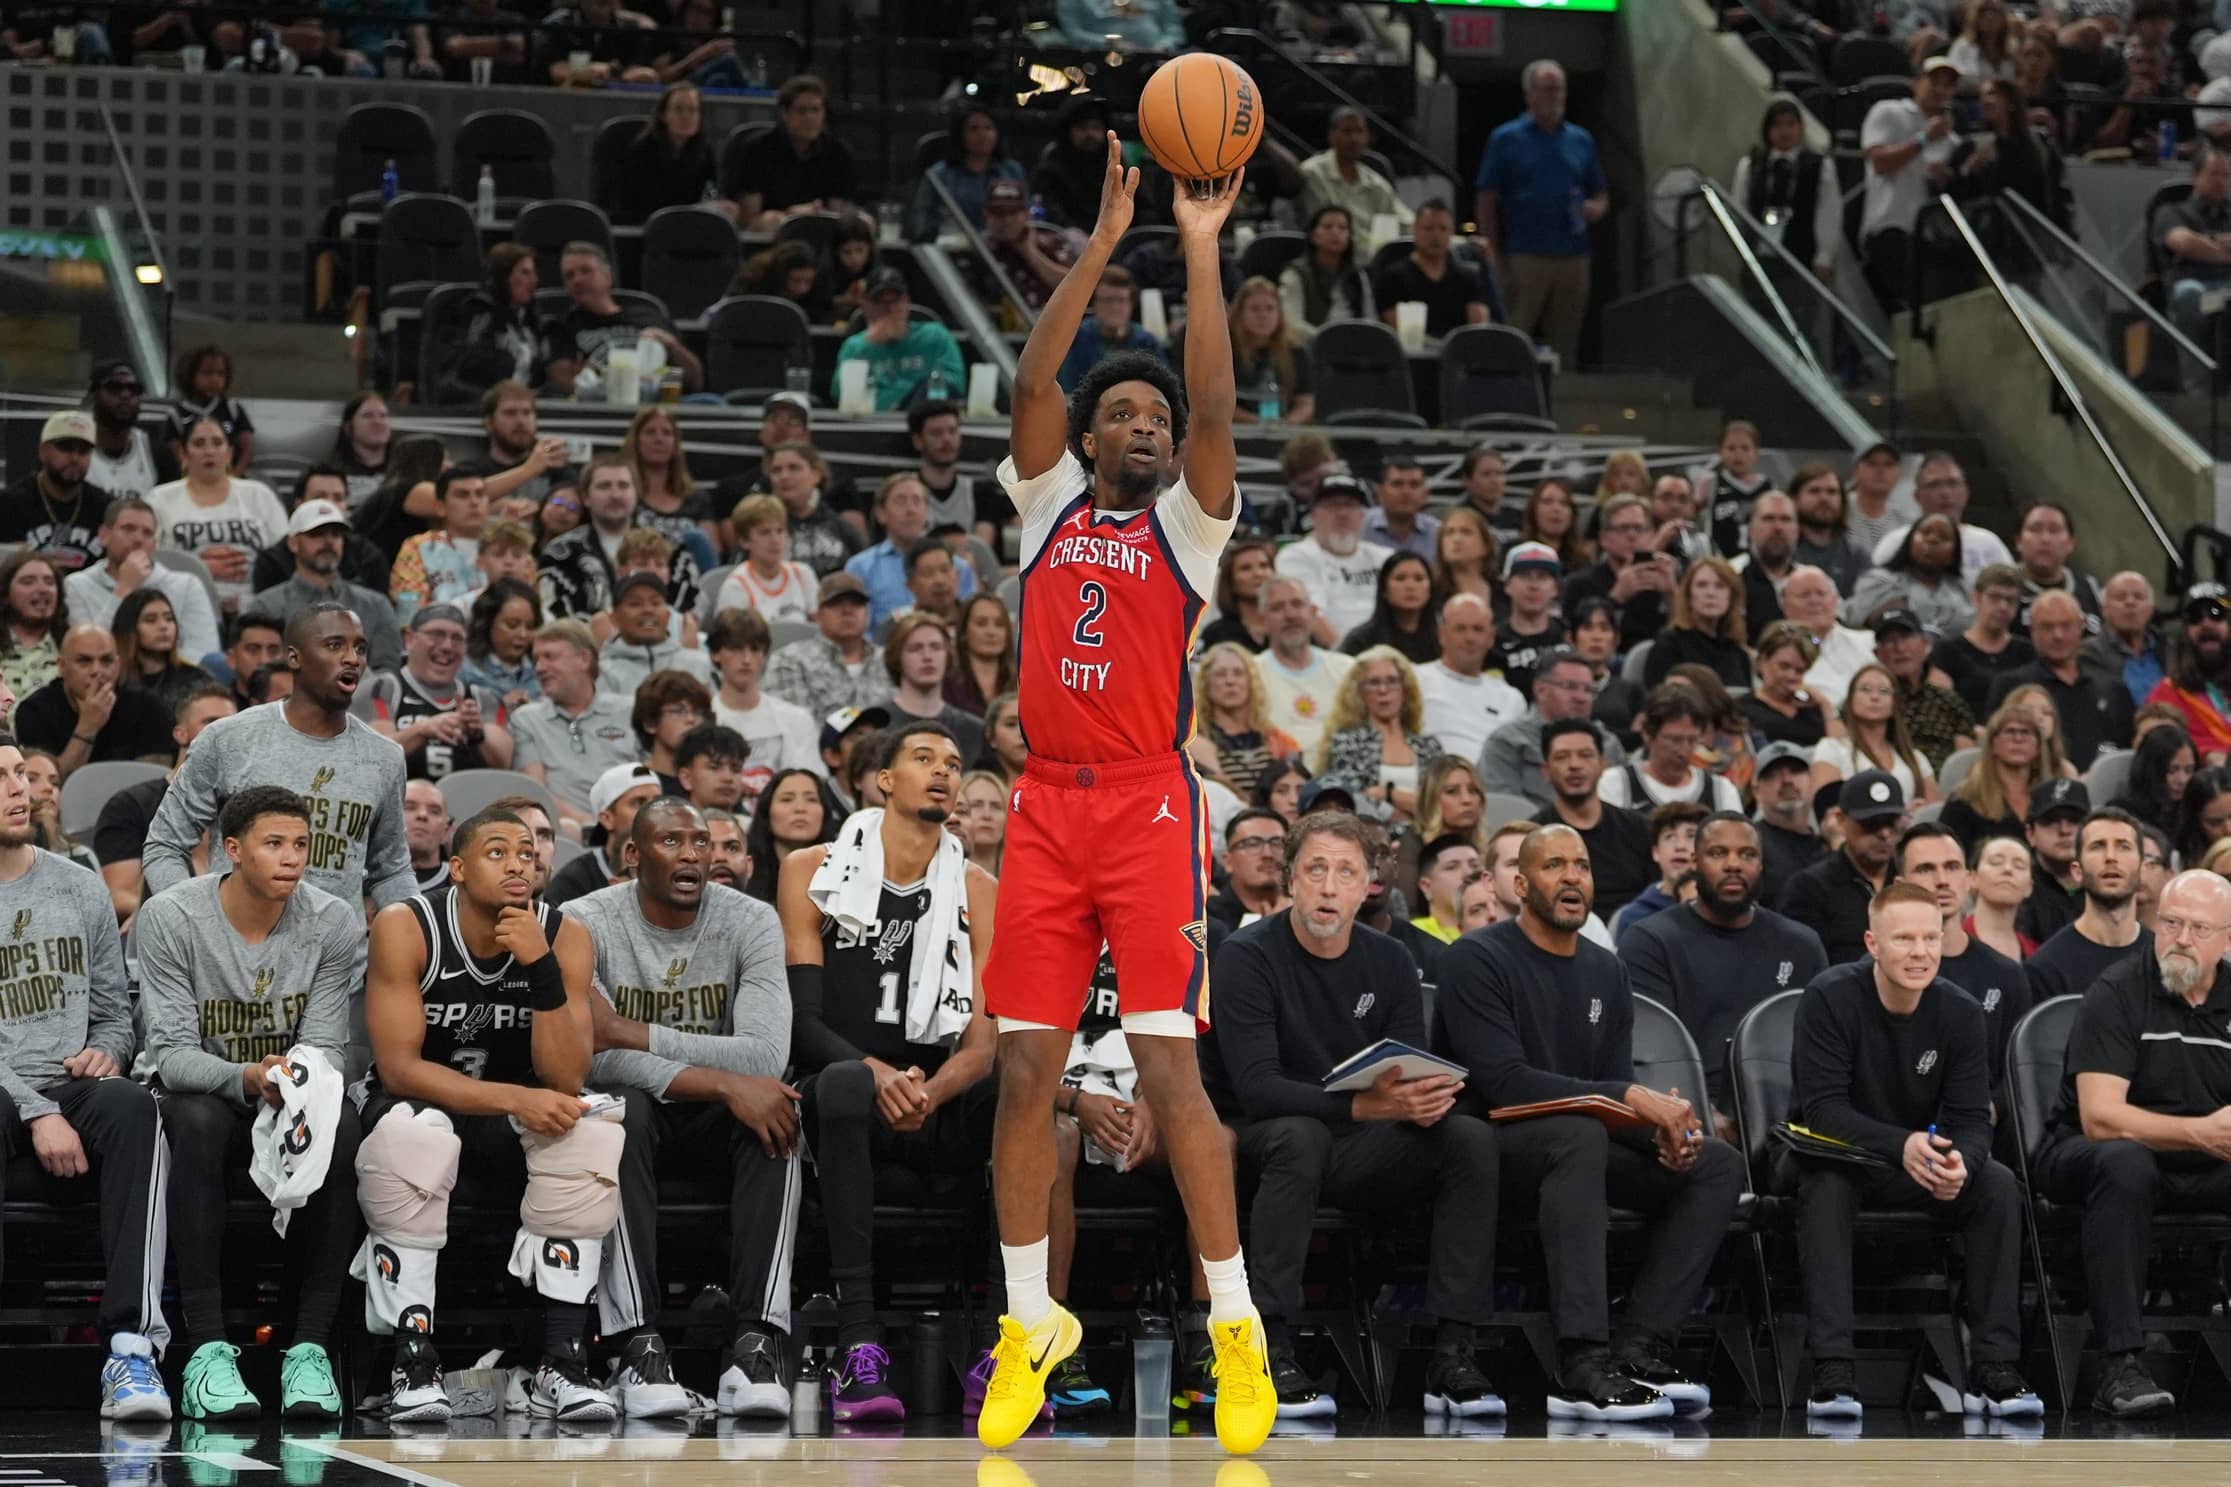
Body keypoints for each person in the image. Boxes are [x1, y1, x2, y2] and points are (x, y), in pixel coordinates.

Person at [968, 142, 1277, 1455]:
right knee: (1022, 1073)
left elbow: (1213, 404)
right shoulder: (1044, 501)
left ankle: (1234, 1323)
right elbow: (1034, 377)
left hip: (1148, 807)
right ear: (1088, 440)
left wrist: (1196, 247)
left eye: (1156, 416)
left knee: (1169, 1070)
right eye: (1126, 414)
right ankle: (1028, 1320)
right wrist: (1098, 239)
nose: (1148, 423)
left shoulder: (1188, 526)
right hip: (1044, 807)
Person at [1437, 821, 1742, 1418]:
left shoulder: (1606, 969)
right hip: (1493, 1149)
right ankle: (1580, 1363)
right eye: (1554, 866)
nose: (1572, 878)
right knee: (1578, 1137)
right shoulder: (1476, 957)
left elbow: (1608, 1087)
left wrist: (1659, 1135)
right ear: (1521, 885)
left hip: (1583, 1147)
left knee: (1715, 1164)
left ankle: (1641, 1345)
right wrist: (1632, 1098)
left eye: (1580, 866)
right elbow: (1503, 1085)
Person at [1215, 809, 1502, 1417]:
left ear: (1369, 884)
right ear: (1290, 879)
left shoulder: (1391, 959)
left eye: (1345, 872)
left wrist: (1421, 1100)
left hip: (1359, 1140)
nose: (1328, 887)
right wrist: (1366, 1105)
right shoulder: (1246, 955)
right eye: (1314, 870)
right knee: (1300, 1137)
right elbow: (1257, 1088)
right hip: (1263, 1140)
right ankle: (1270, 1347)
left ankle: (1453, 1352)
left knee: (1468, 1139)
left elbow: (1404, 1064)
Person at [355, 805, 618, 1423]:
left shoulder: (565, 935)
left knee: (589, 1130)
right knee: (417, 1137)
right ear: (457, 868)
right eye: (497, 852)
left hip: (510, 1117)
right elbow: (400, 1068)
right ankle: (412, 1361)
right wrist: (516, 1099)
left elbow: (564, 1078)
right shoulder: (406, 924)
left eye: (526, 853)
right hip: (416, 1104)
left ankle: (562, 1361)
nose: (517, 864)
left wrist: (541, 970)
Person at [779, 725, 997, 1423]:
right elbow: (802, 1023)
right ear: (884, 780)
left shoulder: (979, 888)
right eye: (924, 759)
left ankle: (1002, 1347)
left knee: (1017, 1090)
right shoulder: (811, 870)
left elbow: (982, 1042)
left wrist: (929, 1090)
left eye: (954, 764)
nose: (943, 772)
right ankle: (859, 1340)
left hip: (935, 1100)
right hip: (844, 1096)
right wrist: (875, 1073)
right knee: (844, 1083)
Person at [567, 798, 800, 1418]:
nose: (693, 855)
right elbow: (588, 1057)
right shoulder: (583, 920)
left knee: (779, 1112)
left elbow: (765, 1056)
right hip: (642, 1110)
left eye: (702, 843)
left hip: (714, 1118)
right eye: (672, 841)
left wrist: (631, 1032)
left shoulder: (752, 919)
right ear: (632, 855)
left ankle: (756, 1344)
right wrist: (722, 1081)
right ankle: (635, 1344)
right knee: (616, 1112)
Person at [139, 785, 366, 1421]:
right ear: (233, 850)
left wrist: (289, 1083)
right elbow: (172, 1055)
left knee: (344, 1123)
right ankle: (207, 1349)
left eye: (301, 844)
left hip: (287, 1093)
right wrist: (247, 1076)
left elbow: (326, 1048)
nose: (292, 858)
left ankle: (309, 1347)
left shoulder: (333, 921)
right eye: (274, 844)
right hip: (203, 1094)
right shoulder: (171, 916)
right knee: (198, 1119)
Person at [1783, 880, 2041, 1422]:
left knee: (1996, 1185)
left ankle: (1995, 1366)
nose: (1920, 952)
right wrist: (1901, 1145)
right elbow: (1823, 1111)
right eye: (1904, 939)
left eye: (1930, 937)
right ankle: (1833, 1368)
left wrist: (1961, 1162)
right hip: (1834, 1156)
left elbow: (1972, 1118)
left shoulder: (1961, 1011)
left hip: (1915, 1161)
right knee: (1827, 1185)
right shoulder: (1829, 996)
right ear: (1872, 944)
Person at [0, 733, 171, 1420]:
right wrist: (36, 1109)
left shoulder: (77, 883)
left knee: (134, 1106)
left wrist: (108, 1049)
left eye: (20, 773)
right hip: (7, 1089)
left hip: (71, 1083)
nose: (19, 789)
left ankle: (132, 1349)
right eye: (0, 779)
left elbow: (113, 1010)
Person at [2031, 867, 2231, 1418]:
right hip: (2090, 1154)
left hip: (2202, 1160)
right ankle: (2119, 1366)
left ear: (2227, 940)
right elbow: (2101, 1118)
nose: (2181, 939)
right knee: (2126, 1163)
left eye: (2199, 928)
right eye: (2170, 923)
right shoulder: (2118, 991)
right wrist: (2200, 1133)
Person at [142, 605, 411, 914]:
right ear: (294, 658)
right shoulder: (228, 739)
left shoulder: (385, 757)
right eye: (335, 645)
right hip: (235, 938)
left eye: (360, 648)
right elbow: (165, 843)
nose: (352, 658)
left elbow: (392, 871)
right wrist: (191, 919)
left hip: (337, 944)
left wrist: (414, 930)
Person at [1475, 60, 1607, 366]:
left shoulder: (1581, 140)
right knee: (1513, 336)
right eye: (1548, 89)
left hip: (1573, 256)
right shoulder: (1505, 138)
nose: (1555, 96)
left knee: (1566, 343)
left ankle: (1560, 392)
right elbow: (1487, 198)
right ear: (1529, 94)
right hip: (1524, 254)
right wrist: (1493, 251)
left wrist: (1596, 208)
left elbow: (1601, 192)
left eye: (1559, 89)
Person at [1897, 822, 2032, 1081]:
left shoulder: (2007, 975)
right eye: (1925, 869)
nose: (1942, 880)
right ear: (1900, 885)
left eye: (1952, 867)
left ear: (1969, 879)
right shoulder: (1878, 975)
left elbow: (2018, 1077)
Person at [503, 619, 638, 830]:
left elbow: (651, 777)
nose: (539, 668)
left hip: (632, 828)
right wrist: (593, 826)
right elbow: (535, 792)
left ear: (584, 659)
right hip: (567, 831)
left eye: (550, 657)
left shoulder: (629, 711)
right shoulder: (527, 720)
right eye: (536, 659)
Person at [355, 603, 514, 781]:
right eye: (436, 634)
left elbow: (503, 764)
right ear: (409, 639)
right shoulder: (381, 690)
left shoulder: (485, 699)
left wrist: (478, 734)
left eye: (457, 638)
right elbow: (374, 758)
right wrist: (423, 730)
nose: (447, 646)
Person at [243, 500, 404, 674]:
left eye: (336, 534)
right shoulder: (266, 607)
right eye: (317, 534)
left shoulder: (376, 606)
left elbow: (387, 671)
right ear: (293, 543)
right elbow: (261, 672)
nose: (329, 541)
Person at [64, 497, 223, 666]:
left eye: (147, 533)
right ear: (104, 535)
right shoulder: (77, 585)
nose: (138, 539)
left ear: (154, 544)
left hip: (175, 678)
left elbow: (202, 653)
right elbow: (87, 653)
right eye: (128, 529)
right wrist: (123, 589)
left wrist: (154, 670)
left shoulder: (186, 585)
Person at [1985, 591, 2133, 772]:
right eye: (2047, 627)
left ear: (2081, 627)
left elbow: (2127, 751)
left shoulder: (2113, 688)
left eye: (2066, 626)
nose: (2058, 635)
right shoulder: (2010, 686)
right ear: (2032, 630)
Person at [1859, 57, 1962, 306]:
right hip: (1890, 223)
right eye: (1934, 82)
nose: (1940, 90)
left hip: (1930, 234)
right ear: (1917, 83)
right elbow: (1879, 162)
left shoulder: (1952, 140)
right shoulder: (1889, 111)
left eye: (1947, 85)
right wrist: (1923, 139)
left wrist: (1943, 177)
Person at [2026, 807, 2154, 1005]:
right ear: (2077, 871)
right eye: (2097, 846)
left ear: (2142, 869)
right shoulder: (2045, 968)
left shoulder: (2164, 958)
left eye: (2123, 846)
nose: (2111, 857)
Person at [1530, 717, 1655, 919]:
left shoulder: (1638, 827)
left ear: (1603, 765)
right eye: (1562, 757)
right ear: (1546, 771)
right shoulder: (1534, 836)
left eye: (1585, 755)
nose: (1574, 765)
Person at [12, 622, 174, 776]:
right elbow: (47, 786)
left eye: (106, 661)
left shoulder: (149, 707)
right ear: (62, 666)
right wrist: (88, 727)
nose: (97, 670)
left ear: (118, 665)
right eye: (84, 661)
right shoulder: (34, 711)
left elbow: (155, 781)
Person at [543, 242, 702, 398]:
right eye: (569, 275)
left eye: (586, 271)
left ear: (608, 277)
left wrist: (672, 345)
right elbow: (565, 385)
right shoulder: (562, 327)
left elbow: (694, 381)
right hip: (601, 404)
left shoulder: (650, 317)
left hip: (658, 404)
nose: (577, 280)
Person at [1780, 770, 1907, 964]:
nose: (1884, 833)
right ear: (1841, 820)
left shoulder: (1910, 879)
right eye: (1871, 823)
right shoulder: (1809, 888)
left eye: (1892, 822)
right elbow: (1801, 962)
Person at [1479, 649, 1628, 808]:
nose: (1581, 698)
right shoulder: (1507, 741)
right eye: (1570, 686)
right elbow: (1504, 808)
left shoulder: (1608, 743)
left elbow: (1625, 802)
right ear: (1541, 690)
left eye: (1588, 690)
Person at [703, 609, 818, 809]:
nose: (746, 659)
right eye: (736, 649)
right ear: (715, 654)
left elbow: (809, 786)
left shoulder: (797, 720)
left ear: (764, 655)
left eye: (755, 649)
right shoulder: (701, 721)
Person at [1315, 648, 1441, 823]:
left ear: (1405, 689)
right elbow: (1351, 799)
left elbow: (1441, 803)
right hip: (1369, 830)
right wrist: (1401, 816)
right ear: (1359, 691)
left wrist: (1387, 794)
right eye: (1374, 683)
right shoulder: (1348, 742)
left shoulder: (1428, 746)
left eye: (1392, 681)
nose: (1383, 690)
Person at [1731, 97, 1842, 283]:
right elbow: (1738, 208)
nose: (1785, 131)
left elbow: (1829, 213)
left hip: (1802, 256)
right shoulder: (1751, 165)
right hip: (1758, 256)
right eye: (1777, 125)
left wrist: (1825, 257)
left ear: (1801, 127)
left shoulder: (1820, 166)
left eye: (1790, 124)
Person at [729, 75, 856, 231]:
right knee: (771, 221)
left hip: (821, 221)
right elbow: (749, 217)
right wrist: (792, 214)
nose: (810, 118)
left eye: (816, 110)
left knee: (863, 222)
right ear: (785, 113)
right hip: (773, 223)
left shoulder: (838, 152)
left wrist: (815, 212)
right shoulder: (756, 149)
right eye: (802, 111)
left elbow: (839, 210)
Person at [831, 268, 968, 413]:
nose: (890, 309)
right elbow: (839, 394)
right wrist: (868, 344)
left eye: (896, 301)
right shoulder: (855, 346)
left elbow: (956, 384)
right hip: (873, 420)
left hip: (923, 417)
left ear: (906, 302)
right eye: (880, 302)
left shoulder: (935, 336)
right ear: (866, 306)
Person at [1253, 576, 1355, 761]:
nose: (1290, 615)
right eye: (1278, 607)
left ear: (1313, 612)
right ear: (1262, 620)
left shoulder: (1347, 669)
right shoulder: (1250, 674)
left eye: (1298, 604)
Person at [1414, 594, 1526, 764]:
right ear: (1442, 635)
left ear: (1491, 637)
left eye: (1478, 629)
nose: (1470, 638)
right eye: (1460, 629)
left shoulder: (1511, 698)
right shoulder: (1416, 679)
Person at [0, 411, 114, 576]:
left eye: (83, 451)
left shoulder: (106, 508)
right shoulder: (10, 504)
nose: (75, 458)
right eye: (65, 448)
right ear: (43, 451)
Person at [1867, 455, 2013, 584]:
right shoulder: (1896, 542)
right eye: (1934, 485)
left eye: (1953, 484)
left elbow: (2012, 587)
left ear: (1966, 493)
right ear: (1917, 496)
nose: (1945, 493)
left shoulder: (1989, 543)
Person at [1810, 660, 1938, 805]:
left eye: (1884, 691)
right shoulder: (1832, 749)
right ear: (1850, 700)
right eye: (1865, 689)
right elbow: (1826, 809)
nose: (1875, 697)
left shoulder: (1917, 759)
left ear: (1894, 703)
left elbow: (1933, 811)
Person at [1599, 687, 1743, 814]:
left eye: (1692, 740)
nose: (1683, 751)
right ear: (1648, 735)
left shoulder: (1720, 790)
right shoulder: (1615, 783)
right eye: (1674, 740)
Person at [1561, 497, 1671, 654]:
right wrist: (1616, 598)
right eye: (1623, 528)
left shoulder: (1662, 579)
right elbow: (1574, 640)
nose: (1632, 535)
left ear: (1652, 535)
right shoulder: (1579, 584)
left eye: (1639, 528)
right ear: (1603, 539)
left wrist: (1670, 594)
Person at [1374, 199, 1494, 338]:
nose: (1436, 236)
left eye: (1443, 229)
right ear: (1414, 230)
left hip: (1460, 349)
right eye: (1428, 228)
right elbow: (1399, 332)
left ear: (1451, 232)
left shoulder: (1469, 277)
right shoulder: (1392, 279)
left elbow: (1477, 330)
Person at [881, 612, 987, 765]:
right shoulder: (875, 726)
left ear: (947, 655)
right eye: (916, 648)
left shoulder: (974, 730)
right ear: (897, 657)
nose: (927, 656)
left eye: (936, 647)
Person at [2158, 145, 2231, 364]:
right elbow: (2184, 243)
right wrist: (2225, 249)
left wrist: (2205, 244)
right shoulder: (2172, 211)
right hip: (2197, 286)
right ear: (2196, 176)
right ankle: (2196, 377)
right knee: (2188, 294)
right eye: (2214, 174)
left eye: (2226, 176)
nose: (2220, 182)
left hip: (2227, 287)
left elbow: (2194, 244)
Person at [613, 83, 724, 227]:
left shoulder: (705, 151)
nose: (686, 116)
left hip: (687, 225)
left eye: (692, 110)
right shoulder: (642, 151)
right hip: (645, 226)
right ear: (663, 116)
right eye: (678, 109)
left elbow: (710, 192)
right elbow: (638, 206)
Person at [1845, 513, 1974, 637]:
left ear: (1953, 555)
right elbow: (1853, 619)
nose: (1932, 539)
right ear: (1909, 541)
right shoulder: (1879, 580)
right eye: (1925, 532)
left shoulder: (1963, 590)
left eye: (1944, 537)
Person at [387, 471, 489, 625]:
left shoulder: (505, 546)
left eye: (480, 494)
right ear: (441, 507)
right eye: (462, 495)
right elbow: (409, 608)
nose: (474, 502)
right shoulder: (419, 546)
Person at [2146, 582, 2231, 762]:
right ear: (2184, 632)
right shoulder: (2166, 695)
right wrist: (2207, 756)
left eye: (2216, 614)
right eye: (2195, 617)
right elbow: (2158, 751)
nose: (2206, 624)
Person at [1644, 557, 1750, 692]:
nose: (1711, 593)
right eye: (1701, 585)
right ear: (1689, 596)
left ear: (1731, 597)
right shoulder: (1669, 644)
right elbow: (1661, 697)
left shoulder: (1738, 652)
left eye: (1720, 586)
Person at [1608, 801, 1707, 943]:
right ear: (1655, 852)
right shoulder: (1632, 916)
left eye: (1691, 836)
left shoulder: (1721, 909)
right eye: (1670, 836)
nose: (1680, 846)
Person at [114, 589, 214, 723]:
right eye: (150, 620)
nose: (163, 626)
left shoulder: (197, 681)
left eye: (169, 619)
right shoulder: (113, 682)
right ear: (129, 630)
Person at [1229, 277, 1316, 427]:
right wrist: (1259, 423)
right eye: (1255, 309)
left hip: (1284, 430)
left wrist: (1287, 423)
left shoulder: (1296, 351)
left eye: (1270, 308)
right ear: (1240, 312)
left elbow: (1305, 403)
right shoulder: (1226, 351)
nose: (1263, 315)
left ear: (1279, 313)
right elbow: (1216, 405)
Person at [82, 360, 173, 503]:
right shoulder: (75, 447)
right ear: (94, 393)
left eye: (134, 389)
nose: (125, 395)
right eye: (114, 387)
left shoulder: (156, 453)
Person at [1496, 540, 1573, 692]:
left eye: (1542, 577)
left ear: (1555, 588)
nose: (1533, 586)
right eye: (1524, 576)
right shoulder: (1492, 642)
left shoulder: (1570, 637)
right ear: (1507, 585)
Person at [2085, 571, 2165, 711]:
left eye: (2138, 597)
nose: (2130, 602)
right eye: (2120, 597)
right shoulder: (2088, 655)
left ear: (2151, 609)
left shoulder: (2171, 650)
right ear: (2103, 609)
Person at [403, 778, 452, 892]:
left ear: (446, 831)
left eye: (434, 811)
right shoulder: (363, 878)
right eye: (409, 807)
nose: (422, 814)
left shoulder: (465, 886)